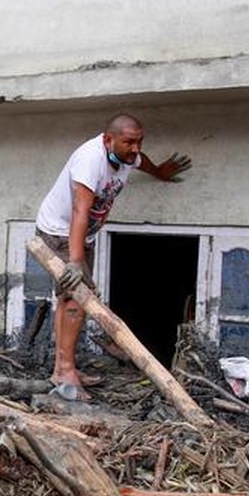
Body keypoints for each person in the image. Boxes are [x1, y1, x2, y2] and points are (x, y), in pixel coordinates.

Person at [34, 114, 190, 399]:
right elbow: (81, 211)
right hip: (59, 232)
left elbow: (143, 162)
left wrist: (161, 173)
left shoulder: (127, 156)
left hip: (84, 236)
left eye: (140, 141)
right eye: (129, 142)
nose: (136, 148)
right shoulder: (89, 160)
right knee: (77, 298)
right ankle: (66, 371)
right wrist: (75, 261)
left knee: (68, 298)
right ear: (108, 140)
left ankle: (61, 367)